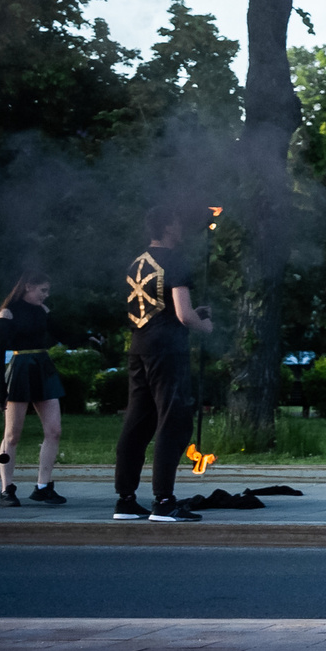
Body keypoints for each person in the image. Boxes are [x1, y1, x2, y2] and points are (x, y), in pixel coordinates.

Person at [113, 205, 216, 523]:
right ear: (169, 226)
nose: (181, 227)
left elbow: (156, 307)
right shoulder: (176, 261)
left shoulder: (136, 263)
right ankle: (164, 501)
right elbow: (184, 316)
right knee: (173, 422)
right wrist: (204, 325)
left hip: (139, 348)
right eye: (178, 222)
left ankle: (126, 500)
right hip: (167, 353)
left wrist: (185, 315)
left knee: (137, 422)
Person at [0, 271, 69, 507]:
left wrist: (89, 338)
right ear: (28, 287)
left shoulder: (43, 311)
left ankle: (43, 486)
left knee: (54, 430)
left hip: (42, 367)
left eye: (47, 291)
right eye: (42, 290)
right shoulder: (7, 313)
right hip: (21, 369)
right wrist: (0, 389)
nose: (46, 295)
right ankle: (6, 488)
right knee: (12, 434)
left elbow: (64, 334)